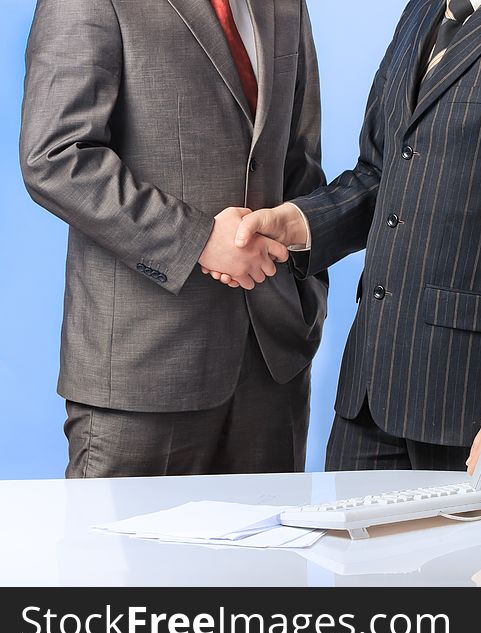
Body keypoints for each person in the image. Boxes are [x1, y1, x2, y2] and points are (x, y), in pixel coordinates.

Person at [212, 0, 481, 471]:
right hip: (369, 391)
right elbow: (379, 172)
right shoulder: (422, 11)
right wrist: (299, 223)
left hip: (474, 407)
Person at [20, 0, 327, 477]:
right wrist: (199, 240)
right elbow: (57, 157)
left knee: (267, 554)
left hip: (272, 363)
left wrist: (307, 300)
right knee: (114, 552)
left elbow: (300, 160)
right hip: (144, 366)